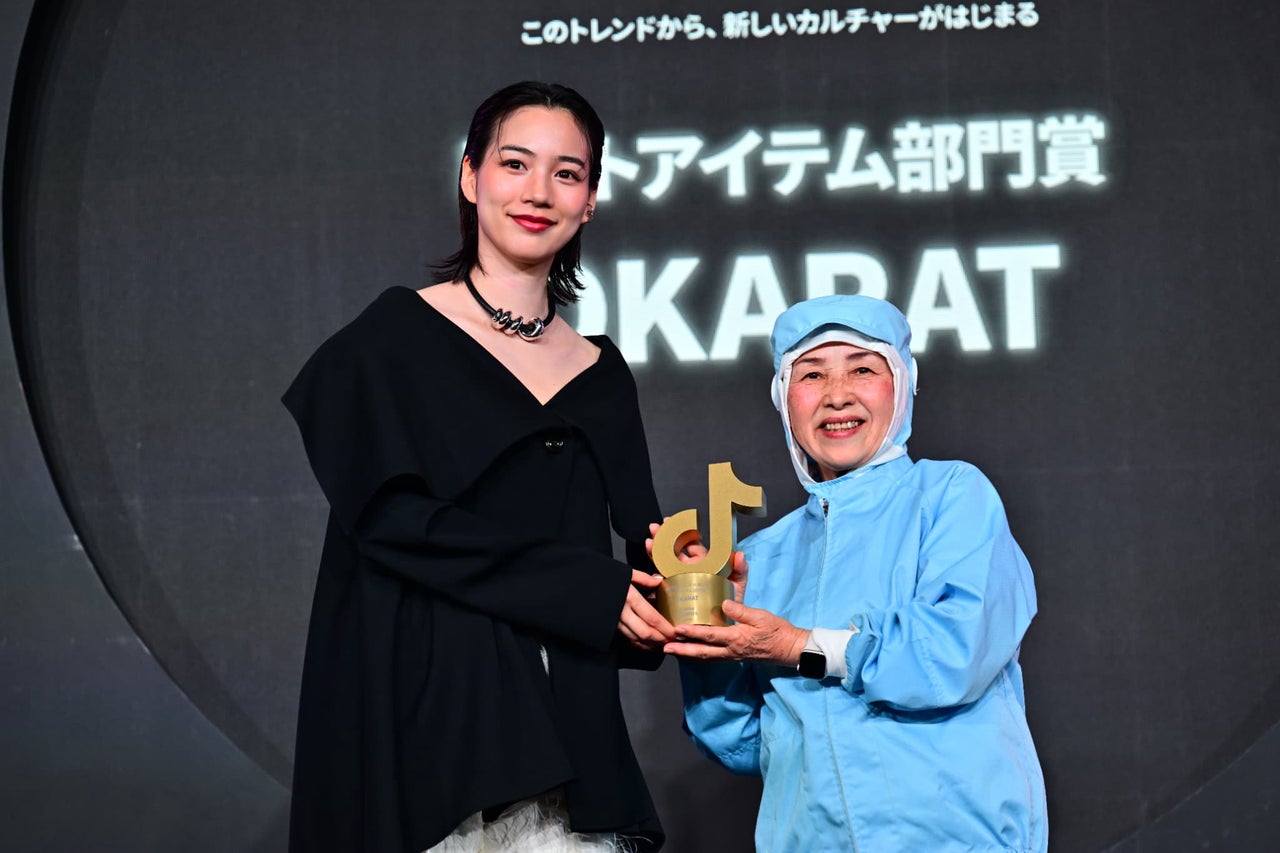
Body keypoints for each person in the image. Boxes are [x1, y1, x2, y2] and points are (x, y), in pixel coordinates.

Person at [283, 81, 675, 853]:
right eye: (515, 163)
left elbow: (640, 571)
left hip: (571, 750)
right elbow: (392, 523)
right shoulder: (392, 340)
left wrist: (691, 584)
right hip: (433, 735)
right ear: (470, 175)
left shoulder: (601, 373)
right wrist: (588, 589)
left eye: (567, 173)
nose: (538, 191)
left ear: (591, 200)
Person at [662, 295, 1048, 852]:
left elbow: (952, 655)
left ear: (903, 385)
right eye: (812, 374)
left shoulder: (951, 496)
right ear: (783, 398)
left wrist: (797, 646)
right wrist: (709, 639)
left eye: (863, 370)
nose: (837, 394)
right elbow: (743, 746)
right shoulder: (760, 556)